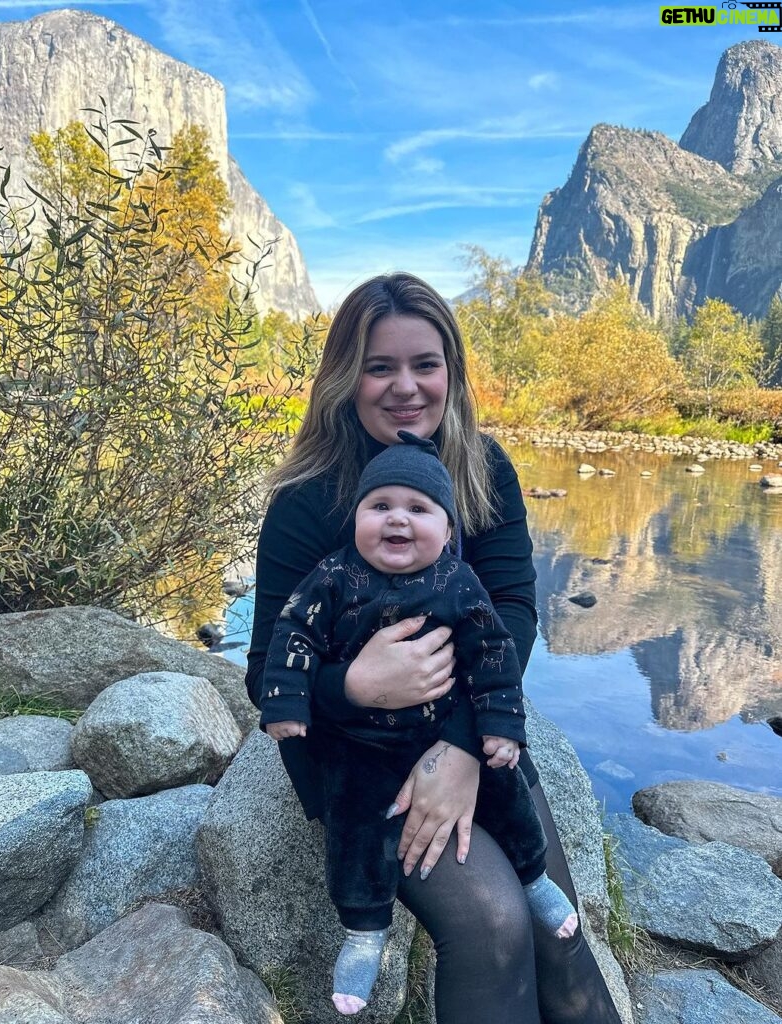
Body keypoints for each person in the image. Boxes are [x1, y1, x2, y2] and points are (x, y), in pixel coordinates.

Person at [246, 271, 623, 1024]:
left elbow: (513, 609)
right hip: (351, 751)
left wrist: (456, 746)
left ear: (451, 370)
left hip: (474, 734)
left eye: (425, 364)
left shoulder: (483, 470)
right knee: (491, 923)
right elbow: (266, 669)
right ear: (345, 379)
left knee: (560, 933)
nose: (404, 387)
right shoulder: (308, 497)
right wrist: (353, 684)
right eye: (378, 367)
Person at [260, 431, 577, 1015]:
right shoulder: (332, 570)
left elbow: (498, 643)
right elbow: (284, 645)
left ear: (449, 530)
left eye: (417, 509)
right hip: (359, 748)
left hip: (461, 728)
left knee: (548, 905)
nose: (396, 521)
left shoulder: (458, 579)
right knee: (467, 905)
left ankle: (538, 885)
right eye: (379, 507)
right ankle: (364, 933)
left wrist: (480, 738)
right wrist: (343, 686)